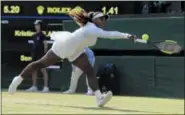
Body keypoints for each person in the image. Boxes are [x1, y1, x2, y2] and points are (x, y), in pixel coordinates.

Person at [8, 7, 137, 107]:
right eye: (102, 18)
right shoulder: (91, 29)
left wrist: (127, 36)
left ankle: (99, 98)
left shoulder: (93, 29)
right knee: (40, 64)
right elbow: (111, 35)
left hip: (77, 50)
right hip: (64, 46)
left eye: (105, 19)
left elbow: (107, 34)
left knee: (89, 70)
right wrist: (127, 35)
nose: (105, 21)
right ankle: (17, 80)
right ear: (95, 20)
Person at [26, 20, 49, 92]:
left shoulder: (43, 35)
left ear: (40, 26)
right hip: (34, 54)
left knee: (43, 70)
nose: (36, 26)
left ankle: (46, 87)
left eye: (38, 25)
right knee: (33, 70)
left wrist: (44, 54)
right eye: (35, 25)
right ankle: (34, 86)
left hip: (41, 55)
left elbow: (45, 45)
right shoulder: (34, 35)